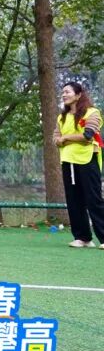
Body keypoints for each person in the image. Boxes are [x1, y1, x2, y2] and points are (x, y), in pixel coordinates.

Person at [55, 82, 104, 248]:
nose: (64, 95)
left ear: (78, 95)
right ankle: (83, 238)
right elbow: (55, 138)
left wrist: (66, 138)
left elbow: (88, 135)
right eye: (63, 92)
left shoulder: (93, 113)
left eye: (67, 92)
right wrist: (62, 139)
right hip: (68, 161)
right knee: (74, 201)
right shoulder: (61, 117)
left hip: (87, 160)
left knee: (93, 199)